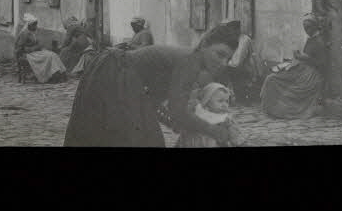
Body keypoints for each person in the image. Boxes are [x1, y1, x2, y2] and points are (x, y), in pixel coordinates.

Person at [64, 35, 236, 146]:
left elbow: (151, 102)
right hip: (113, 74)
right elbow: (178, 111)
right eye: (219, 54)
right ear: (204, 45)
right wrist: (212, 130)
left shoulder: (189, 66)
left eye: (228, 58)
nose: (223, 62)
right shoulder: (190, 61)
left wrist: (173, 121)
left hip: (120, 78)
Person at [259, 14, 329, 119]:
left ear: (315, 26)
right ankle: (273, 109)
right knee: (272, 78)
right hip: (303, 70)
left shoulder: (319, 41)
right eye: (305, 28)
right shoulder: (311, 39)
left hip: (311, 75)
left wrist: (303, 58)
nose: (306, 30)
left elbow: (322, 64)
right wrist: (298, 58)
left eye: (309, 27)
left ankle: (282, 110)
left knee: (276, 81)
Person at [176, 82, 244, 148]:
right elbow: (182, 137)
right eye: (220, 101)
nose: (225, 105)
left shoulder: (226, 120)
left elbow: (237, 140)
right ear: (207, 101)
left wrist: (234, 136)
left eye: (227, 101)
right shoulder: (195, 116)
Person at [15, 14, 67, 83]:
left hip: (35, 52)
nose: (36, 27)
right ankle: (49, 76)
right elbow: (19, 48)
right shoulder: (24, 34)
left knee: (53, 54)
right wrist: (33, 48)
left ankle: (58, 74)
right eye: (34, 25)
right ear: (29, 25)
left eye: (36, 25)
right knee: (49, 56)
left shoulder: (32, 33)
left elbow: (35, 43)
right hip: (28, 54)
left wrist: (38, 46)